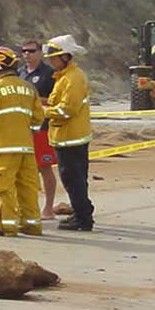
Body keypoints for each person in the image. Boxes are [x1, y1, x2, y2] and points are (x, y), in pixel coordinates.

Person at [0, 47, 46, 235]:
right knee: (27, 187)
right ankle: (31, 224)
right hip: (27, 148)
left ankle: (6, 225)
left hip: (4, 147)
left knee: (4, 187)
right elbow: (38, 117)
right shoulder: (29, 88)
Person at [42, 36, 94, 230]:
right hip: (66, 137)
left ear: (65, 57)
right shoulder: (64, 77)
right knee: (75, 179)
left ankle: (83, 219)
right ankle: (82, 212)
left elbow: (66, 110)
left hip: (71, 139)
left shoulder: (73, 78)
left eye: (54, 57)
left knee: (73, 180)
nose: (50, 61)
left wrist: (42, 112)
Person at [18, 40, 58, 220]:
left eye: (31, 51)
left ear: (40, 52)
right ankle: (28, 206)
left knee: (45, 167)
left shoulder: (50, 74)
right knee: (24, 169)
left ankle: (48, 208)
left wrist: (34, 101)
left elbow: (56, 100)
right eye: (24, 51)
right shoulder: (19, 73)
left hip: (43, 128)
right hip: (22, 128)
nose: (27, 54)